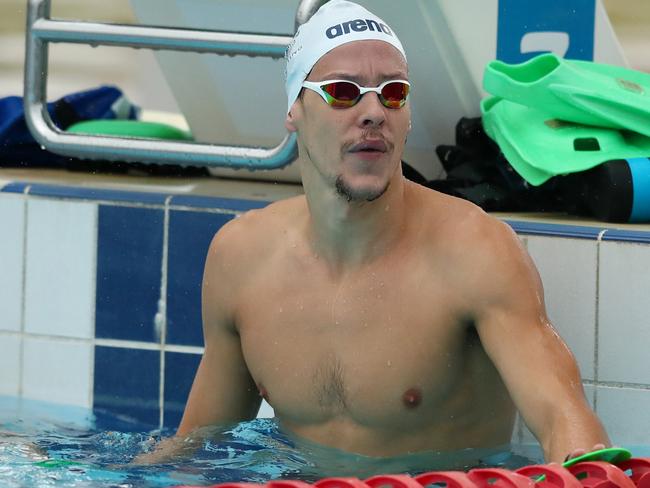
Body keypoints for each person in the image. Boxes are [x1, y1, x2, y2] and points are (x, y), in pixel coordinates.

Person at [163, 0, 610, 464]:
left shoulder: (473, 250)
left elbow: (565, 420)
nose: (374, 111)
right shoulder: (241, 257)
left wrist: (589, 470)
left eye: (393, 92)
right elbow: (196, 450)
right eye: (343, 91)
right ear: (294, 109)